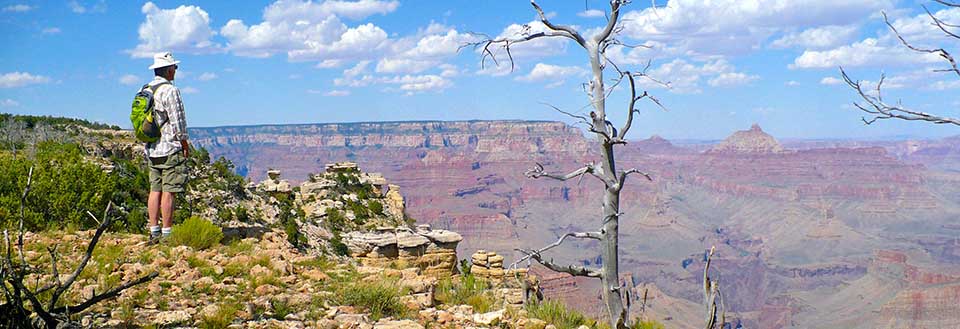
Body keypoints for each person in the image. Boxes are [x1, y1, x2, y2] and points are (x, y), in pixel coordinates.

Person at [144, 52, 190, 244]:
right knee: (169, 191)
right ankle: (167, 234)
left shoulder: (145, 89)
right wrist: (184, 142)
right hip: (169, 147)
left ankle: (153, 230)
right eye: (175, 68)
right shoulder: (170, 91)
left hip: (151, 148)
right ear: (169, 70)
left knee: (155, 189)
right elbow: (178, 120)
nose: (176, 71)